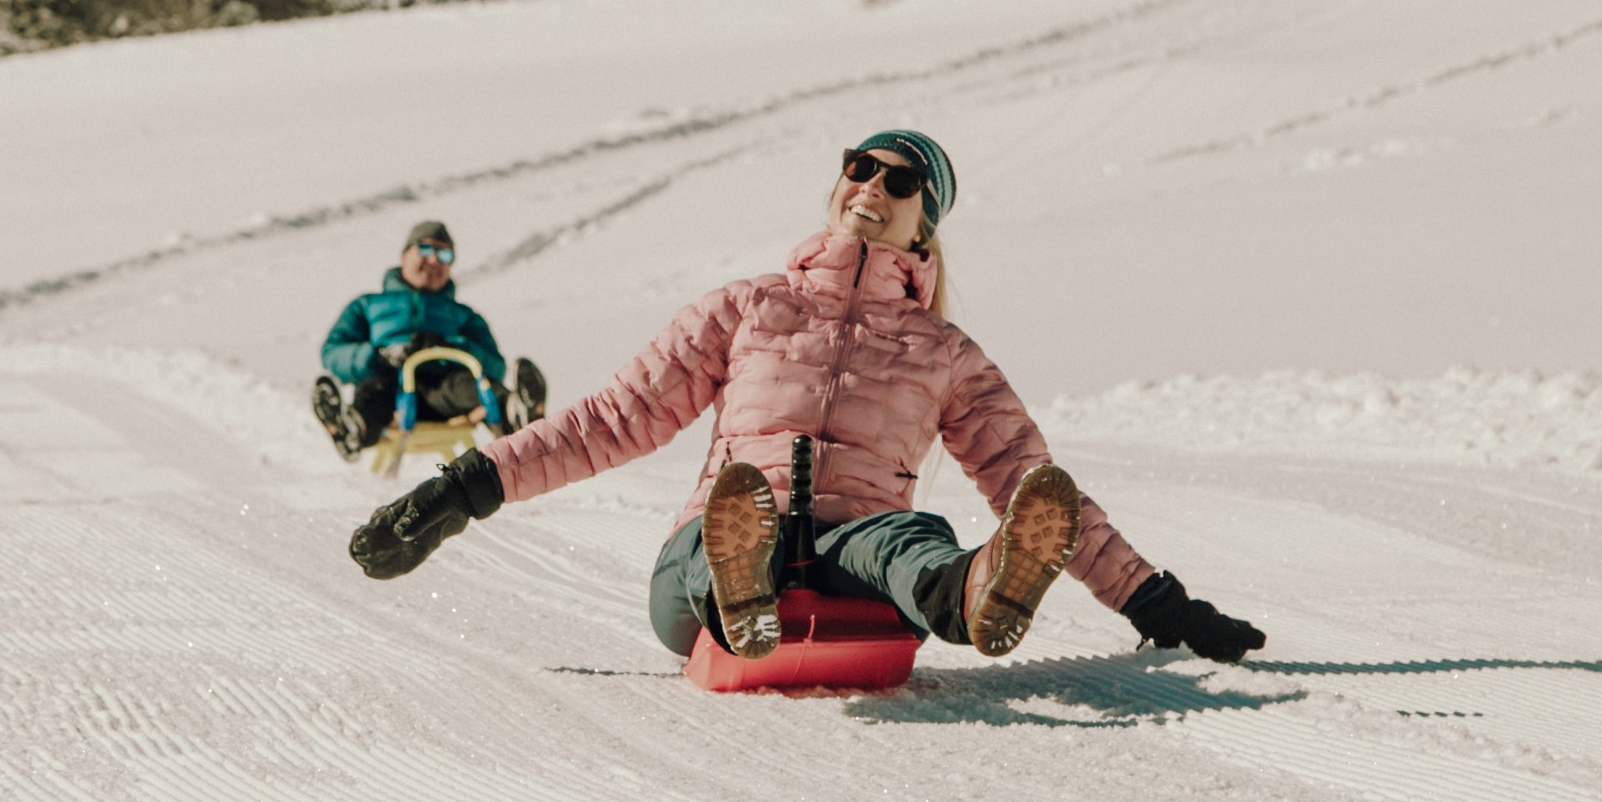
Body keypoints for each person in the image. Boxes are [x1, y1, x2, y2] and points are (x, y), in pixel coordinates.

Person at [346, 132, 1268, 667]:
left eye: (899, 181)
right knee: (723, 528)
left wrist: (1162, 604)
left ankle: (969, 593)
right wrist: (456, 492)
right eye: (859, 168)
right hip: (715, 539)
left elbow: (1038, 488)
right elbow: (611, 419)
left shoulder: (942, 351)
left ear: (924, 222)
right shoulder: (751, 307)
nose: (872, 186)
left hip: (852, 541)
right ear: (838, 188)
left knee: (912, 541)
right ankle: (736, 591)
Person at [314, 221, 546, 459]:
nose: (435, 260)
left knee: (476, 385)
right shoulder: (368, 305)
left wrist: (454, 346)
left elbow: (495, 365)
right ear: (405, 255)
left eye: (445, 255)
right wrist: (378, 356)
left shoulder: (462, 314)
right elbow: (332, 352)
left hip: (444, 392)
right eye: (426, 250)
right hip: (392, 390)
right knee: (374, 391)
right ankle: (353, 429)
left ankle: (516, 414)